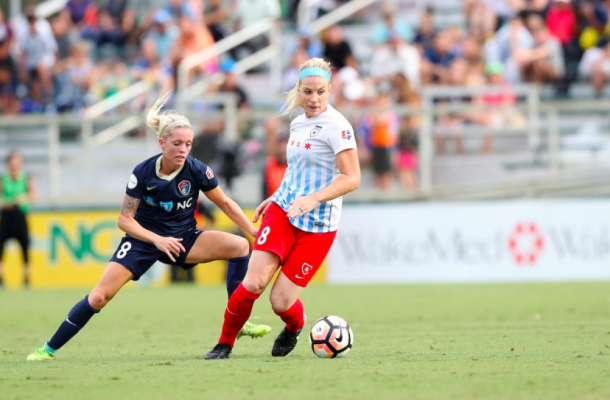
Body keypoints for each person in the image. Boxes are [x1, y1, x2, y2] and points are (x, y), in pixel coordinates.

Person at [26, 93, 271, 361]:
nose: (183, 149)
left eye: (188, 144)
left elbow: (224, 202)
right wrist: (157, 240)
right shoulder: (143, 173)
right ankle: (47, 349)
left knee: (239, 245)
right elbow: (124, 220)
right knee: (99, 297)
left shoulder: (198, 169)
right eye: (177, 143)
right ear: (162, 142)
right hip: (143, 241)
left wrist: (252, 229)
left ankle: (239, 322)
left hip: (184, 238)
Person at [205, 57, 361, 359]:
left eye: (320, 92)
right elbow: (296, 169)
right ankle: (225, 343)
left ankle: (294, 326)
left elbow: (352, 178)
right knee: (255, 281)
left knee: (280, 301)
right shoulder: (298, 123)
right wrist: (277, 195)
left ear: (329, 90)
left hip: (318, 226)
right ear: (298, 91)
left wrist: (313, 199)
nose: (314, 99)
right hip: (285, 212)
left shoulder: (338, 127)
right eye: (307, 92)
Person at [0, 151, 36, 288]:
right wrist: (6, 201)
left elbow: (33, 195)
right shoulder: (3, 179)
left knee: (25, 247)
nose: (15, 163)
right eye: (12, 160)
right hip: (6, 215)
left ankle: (26, 278)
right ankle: (1, 278)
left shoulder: (26, 178)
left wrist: (23, 198)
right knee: (1, 247)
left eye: (17, 160)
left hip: (20, 215)